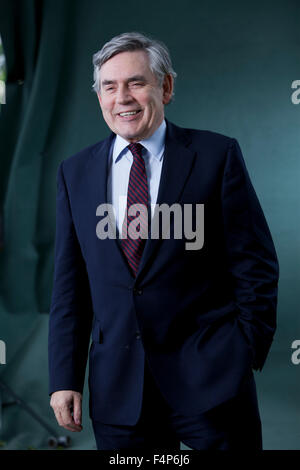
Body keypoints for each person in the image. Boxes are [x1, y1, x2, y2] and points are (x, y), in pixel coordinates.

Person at [48, 32, 279, 450]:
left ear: (166, 87)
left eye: (136, 82)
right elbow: (70, 285)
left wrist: (243, 351)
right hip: (118, 391)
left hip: (212, 382)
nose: (123, 98)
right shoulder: (74, 172)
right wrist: (64, 377)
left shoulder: (216, 156)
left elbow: (254, 263)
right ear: (99, 95)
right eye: (109, 86)